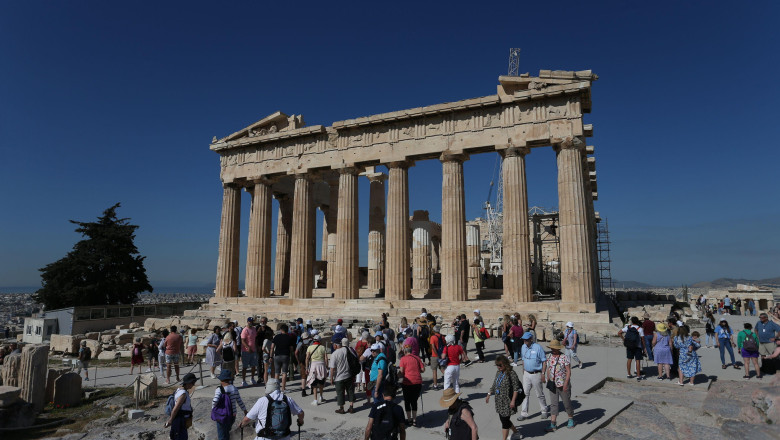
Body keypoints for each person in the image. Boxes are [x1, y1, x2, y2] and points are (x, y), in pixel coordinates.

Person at [240, 378, 304, 440]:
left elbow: (247, 419)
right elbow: (301, 413)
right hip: (284, 437)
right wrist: (300, 421)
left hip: (265, 437)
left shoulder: (262, 400)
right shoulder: (288, 399)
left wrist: (242, 425)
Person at [485, 355, 521, 440]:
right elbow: (495, 384)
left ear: (505, 364)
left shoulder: (511, 373)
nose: (498, 367)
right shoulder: (499, 372)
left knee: (504, 421)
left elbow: (516, 388)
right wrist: (489, 393)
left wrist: (513, 401)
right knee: (504, 419)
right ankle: (516, 432)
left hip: (507, 401)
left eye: (500, 365)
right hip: (499, 401)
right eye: (497, 365)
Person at [543, 339, 575, 431]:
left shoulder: (564, 357)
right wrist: (547, 377)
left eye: (554, 348)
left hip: (563, 384)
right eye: (552, 348)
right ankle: (553, 423)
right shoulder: (549, 356)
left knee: (566, 402)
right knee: (553, 404)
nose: (553, 350)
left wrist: (566, 383)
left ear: (558, 348)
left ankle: (570, 419)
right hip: (553, 384)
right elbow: (549, 368)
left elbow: (568, 371)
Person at [518, 331, 548, 421]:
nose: (525, 342)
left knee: (539, 394)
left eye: (526, 340)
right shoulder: (523, 347)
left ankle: (544, 411)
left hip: (536, 374)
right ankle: (523, 413)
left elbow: (544, 361)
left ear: (531, 339)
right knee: (524, 394)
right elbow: (523, 359)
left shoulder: (538, 348)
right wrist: (523, 370)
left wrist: (543, 374)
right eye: (523, 340)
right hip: (527, 373)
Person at [212, 369, 248, 440]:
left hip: (221, 416)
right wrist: (245, 411)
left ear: (221, 380)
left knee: (221, 435)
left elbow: (215, 401)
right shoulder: (234, 389)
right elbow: (239, 401)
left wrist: (213, 408)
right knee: (227, 432)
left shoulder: (219, 389)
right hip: (231, 416)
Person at [165, 373, 198, 440]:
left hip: (181, 420)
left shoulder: (179, 390)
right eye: (192, 382)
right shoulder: (183, 394)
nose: (193, 384)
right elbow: (176, 408)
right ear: (187, 383)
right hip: (179, 420)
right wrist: (170, 420)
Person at [398, 345, 425, 426]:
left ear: (405, 351)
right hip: (417, 382)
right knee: (414, 401)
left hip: (407, 382)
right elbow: (423, 370)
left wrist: (397, 376)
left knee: (407, 401)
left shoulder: (403, 359)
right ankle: (414, 420)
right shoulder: (417, 358)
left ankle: (409, 419)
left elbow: (402, 372)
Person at [330, 337, 357, 414]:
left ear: (335, 345)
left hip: (339, 377)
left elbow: (332, 368)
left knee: (340, 393)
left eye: (333, 345)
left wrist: (331, 378)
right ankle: (351, 407)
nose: (332, 346)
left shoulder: (334, 354)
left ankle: (341, 408)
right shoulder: (346, 350)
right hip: (348, 375)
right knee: (350, 391)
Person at [305, 334, 328, 406]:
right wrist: (326, 367)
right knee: (321, 382)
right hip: (321, 365)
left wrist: (306, 367)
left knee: (314, 384)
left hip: (314, 365)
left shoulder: (310, 347)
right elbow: (326, 358)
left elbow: (307, 358)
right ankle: (321, 397)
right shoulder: (323, 347)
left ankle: (315, 400)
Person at [271, 323, 294, 392]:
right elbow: (291, 348)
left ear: (281, 330)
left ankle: (276, 389)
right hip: (285, 355)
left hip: (277, 355)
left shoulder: (276, 337)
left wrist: (270, 356)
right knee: (284, 373)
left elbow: (272, 347)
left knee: (277, 373)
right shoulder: (289, 337)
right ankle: (283, 388)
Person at [241, 317, 259, 387]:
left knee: (253, 365)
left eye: (252, 321)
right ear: (247, 322)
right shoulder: (245, 330)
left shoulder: (254, 329)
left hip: (253, 350)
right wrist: (248, 347)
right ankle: (243, 380)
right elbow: (243, 340)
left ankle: (252, 378)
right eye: (249, 321)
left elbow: (255, 338)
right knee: (245, 366)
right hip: (246, 351)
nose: (251, 322)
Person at [429, 326, 444, 390]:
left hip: (435, 356)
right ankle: (448, 382)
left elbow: (433, 346)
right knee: (443, 369)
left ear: (434, 331)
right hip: (441, 355)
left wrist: (436, 353)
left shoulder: (433, 337)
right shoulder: (442, 337)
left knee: (434, 371)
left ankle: (435, 385)